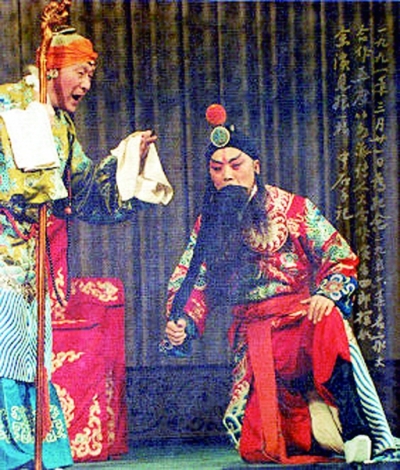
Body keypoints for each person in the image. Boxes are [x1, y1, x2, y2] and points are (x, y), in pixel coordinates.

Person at [161, 104, 398, 464]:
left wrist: (327, 294)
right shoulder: (207, 224)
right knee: (258, 444)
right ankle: (322, 432)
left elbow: (340, 257)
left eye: (236, 165)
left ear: (255, 165)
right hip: (256, 337)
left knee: (328, 318)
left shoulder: (295, 209)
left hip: (302, 322)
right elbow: (192, 280)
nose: (227, 175)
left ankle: (356, 428)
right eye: (216, 168)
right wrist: (182, 322)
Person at [0, 26, 172, 469]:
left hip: (32, 260)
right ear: (52, 69)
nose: (86, 85)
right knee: (5, 348)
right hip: (2, 252)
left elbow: (82, 193)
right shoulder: (9, 107)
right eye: (80, 72)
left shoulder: (61, 125)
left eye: (90, 75)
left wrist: (125, 159)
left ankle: (35, 451)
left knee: (28, 353)